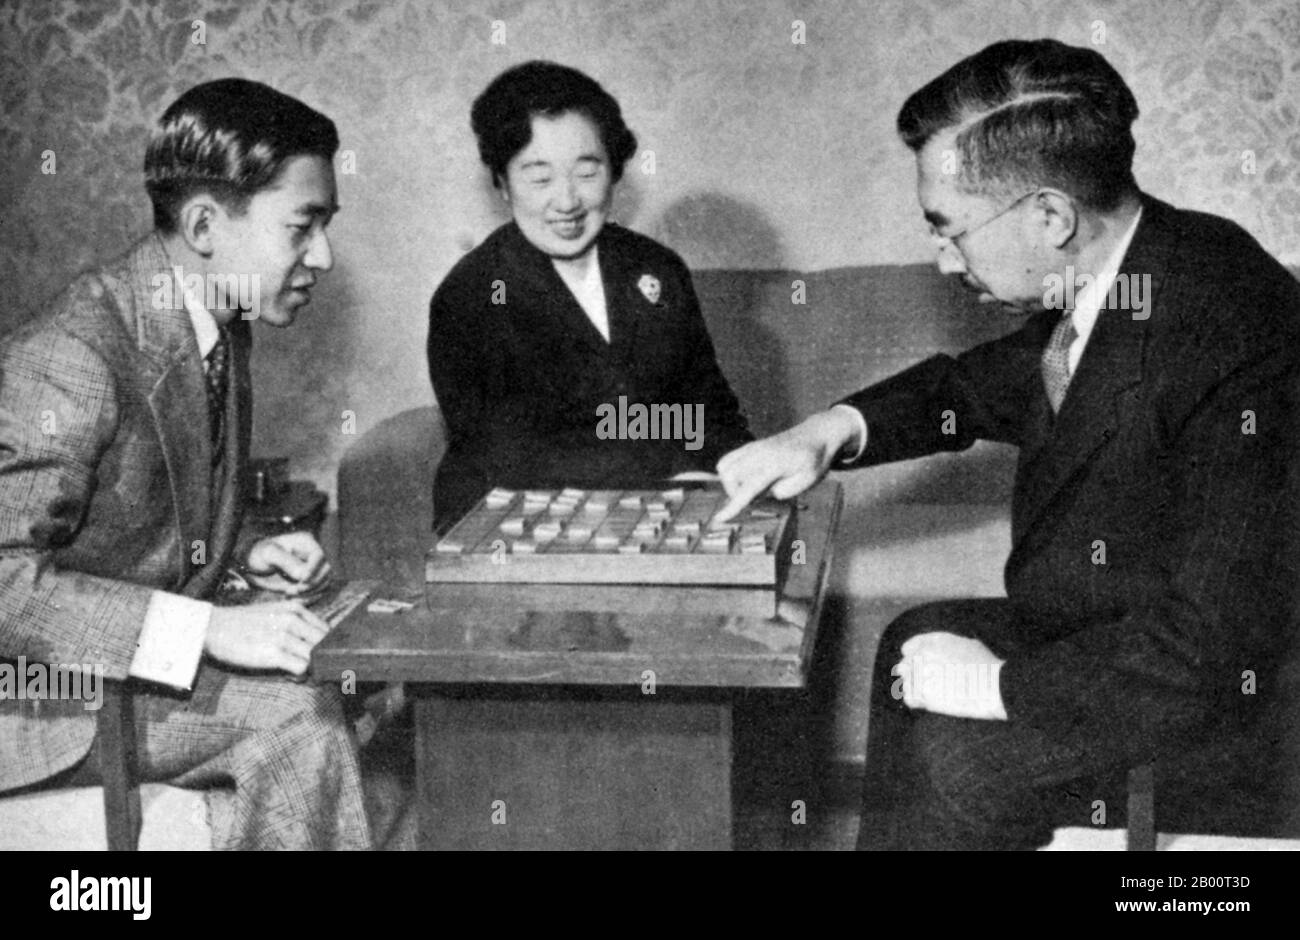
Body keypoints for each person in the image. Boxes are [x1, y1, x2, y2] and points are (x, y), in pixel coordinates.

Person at [714, 39, 1300, 849]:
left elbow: (1207, 648)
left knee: (961, 761)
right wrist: (826, 432)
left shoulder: (1241, 333)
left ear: (1051, 215)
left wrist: (998, 686)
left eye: (949, 229)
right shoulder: (1134, 261)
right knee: (912, 638)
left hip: (1233, 704)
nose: (943, 260)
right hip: (1116, 632)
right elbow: (975, 387)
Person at [0, 79, 375, 849]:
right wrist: (208, 628)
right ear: (206, 224)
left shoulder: (221, 318)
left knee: (360, 671)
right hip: (46, 702)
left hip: (125, 676)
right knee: (300, 725)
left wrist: (244, 550)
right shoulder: (72, 354)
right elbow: (5, 583)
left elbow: (136, 518)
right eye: (303, 226)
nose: (324, 257)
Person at [427, 60, 752, 528]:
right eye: (538, 178)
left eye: (587, 172)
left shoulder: (657, 268)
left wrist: (740, 468)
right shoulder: (474, 295)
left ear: (615, 171)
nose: (567, 201)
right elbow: (508, 455)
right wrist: (667, 464)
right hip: (511, 528)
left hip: (653, 512)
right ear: (501, 183)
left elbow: (704, 408)